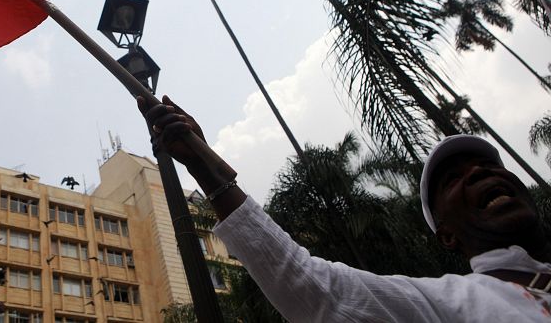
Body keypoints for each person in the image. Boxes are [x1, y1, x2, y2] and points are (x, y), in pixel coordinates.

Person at [138, 95, 551, 322]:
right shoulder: (447, 304)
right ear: (446, 234)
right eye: (455, 179)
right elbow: (319, 291)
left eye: (485, 166)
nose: (479, 174)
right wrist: (208, 170)